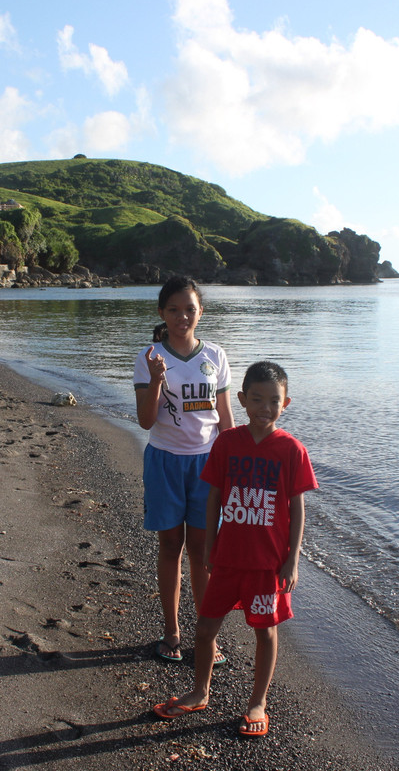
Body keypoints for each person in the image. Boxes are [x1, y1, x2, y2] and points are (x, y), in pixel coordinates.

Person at [152, 361, 317, 738]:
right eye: (256, 399)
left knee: (265, 632)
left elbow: (297, 507)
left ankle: (258, 702)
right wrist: (210, 545)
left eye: (273, 401)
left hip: (266, 565)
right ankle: (199, 692)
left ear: (286, 403)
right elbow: (213, 497)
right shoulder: (227, 443)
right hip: (226, 560)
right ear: (241, 400)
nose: (264, 408)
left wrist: (292, 560)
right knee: (206, 628)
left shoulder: (291, 450)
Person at [134, 275, 234, 664]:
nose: (182, 317)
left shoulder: (216, 356)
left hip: (207, 466)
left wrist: (234, 469)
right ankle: (172, 632)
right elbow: (145, 421)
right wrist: (158, 379)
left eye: (189, 309)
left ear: (200, 312)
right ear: (162, 312)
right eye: (173, 310)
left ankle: (205, 636)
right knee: (170, 546)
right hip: (164, 462)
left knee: (203, 552)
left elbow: (225, 420)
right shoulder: (149, 357)